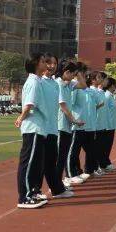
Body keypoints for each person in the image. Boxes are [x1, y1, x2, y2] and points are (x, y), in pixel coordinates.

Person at [13, 55, 50, 209]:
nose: (45, 64)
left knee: (35, 163)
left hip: (39, 127)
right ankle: (24, 197)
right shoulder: (33, 81)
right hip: (33, 127)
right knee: (28, 162)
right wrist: (21, 118)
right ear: (35, 64)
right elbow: (29, 105)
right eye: (42, 61)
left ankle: (32, 192)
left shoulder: (38, 81)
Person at [37, 55, 72, 201]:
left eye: (54, 63)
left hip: (52, 127)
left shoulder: (53, 83)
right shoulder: (38, 81)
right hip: (40, 128)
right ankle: (35, 190)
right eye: (48, 63)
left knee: (51, 160)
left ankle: (56, 189)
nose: (52, 66)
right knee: (39, 162)